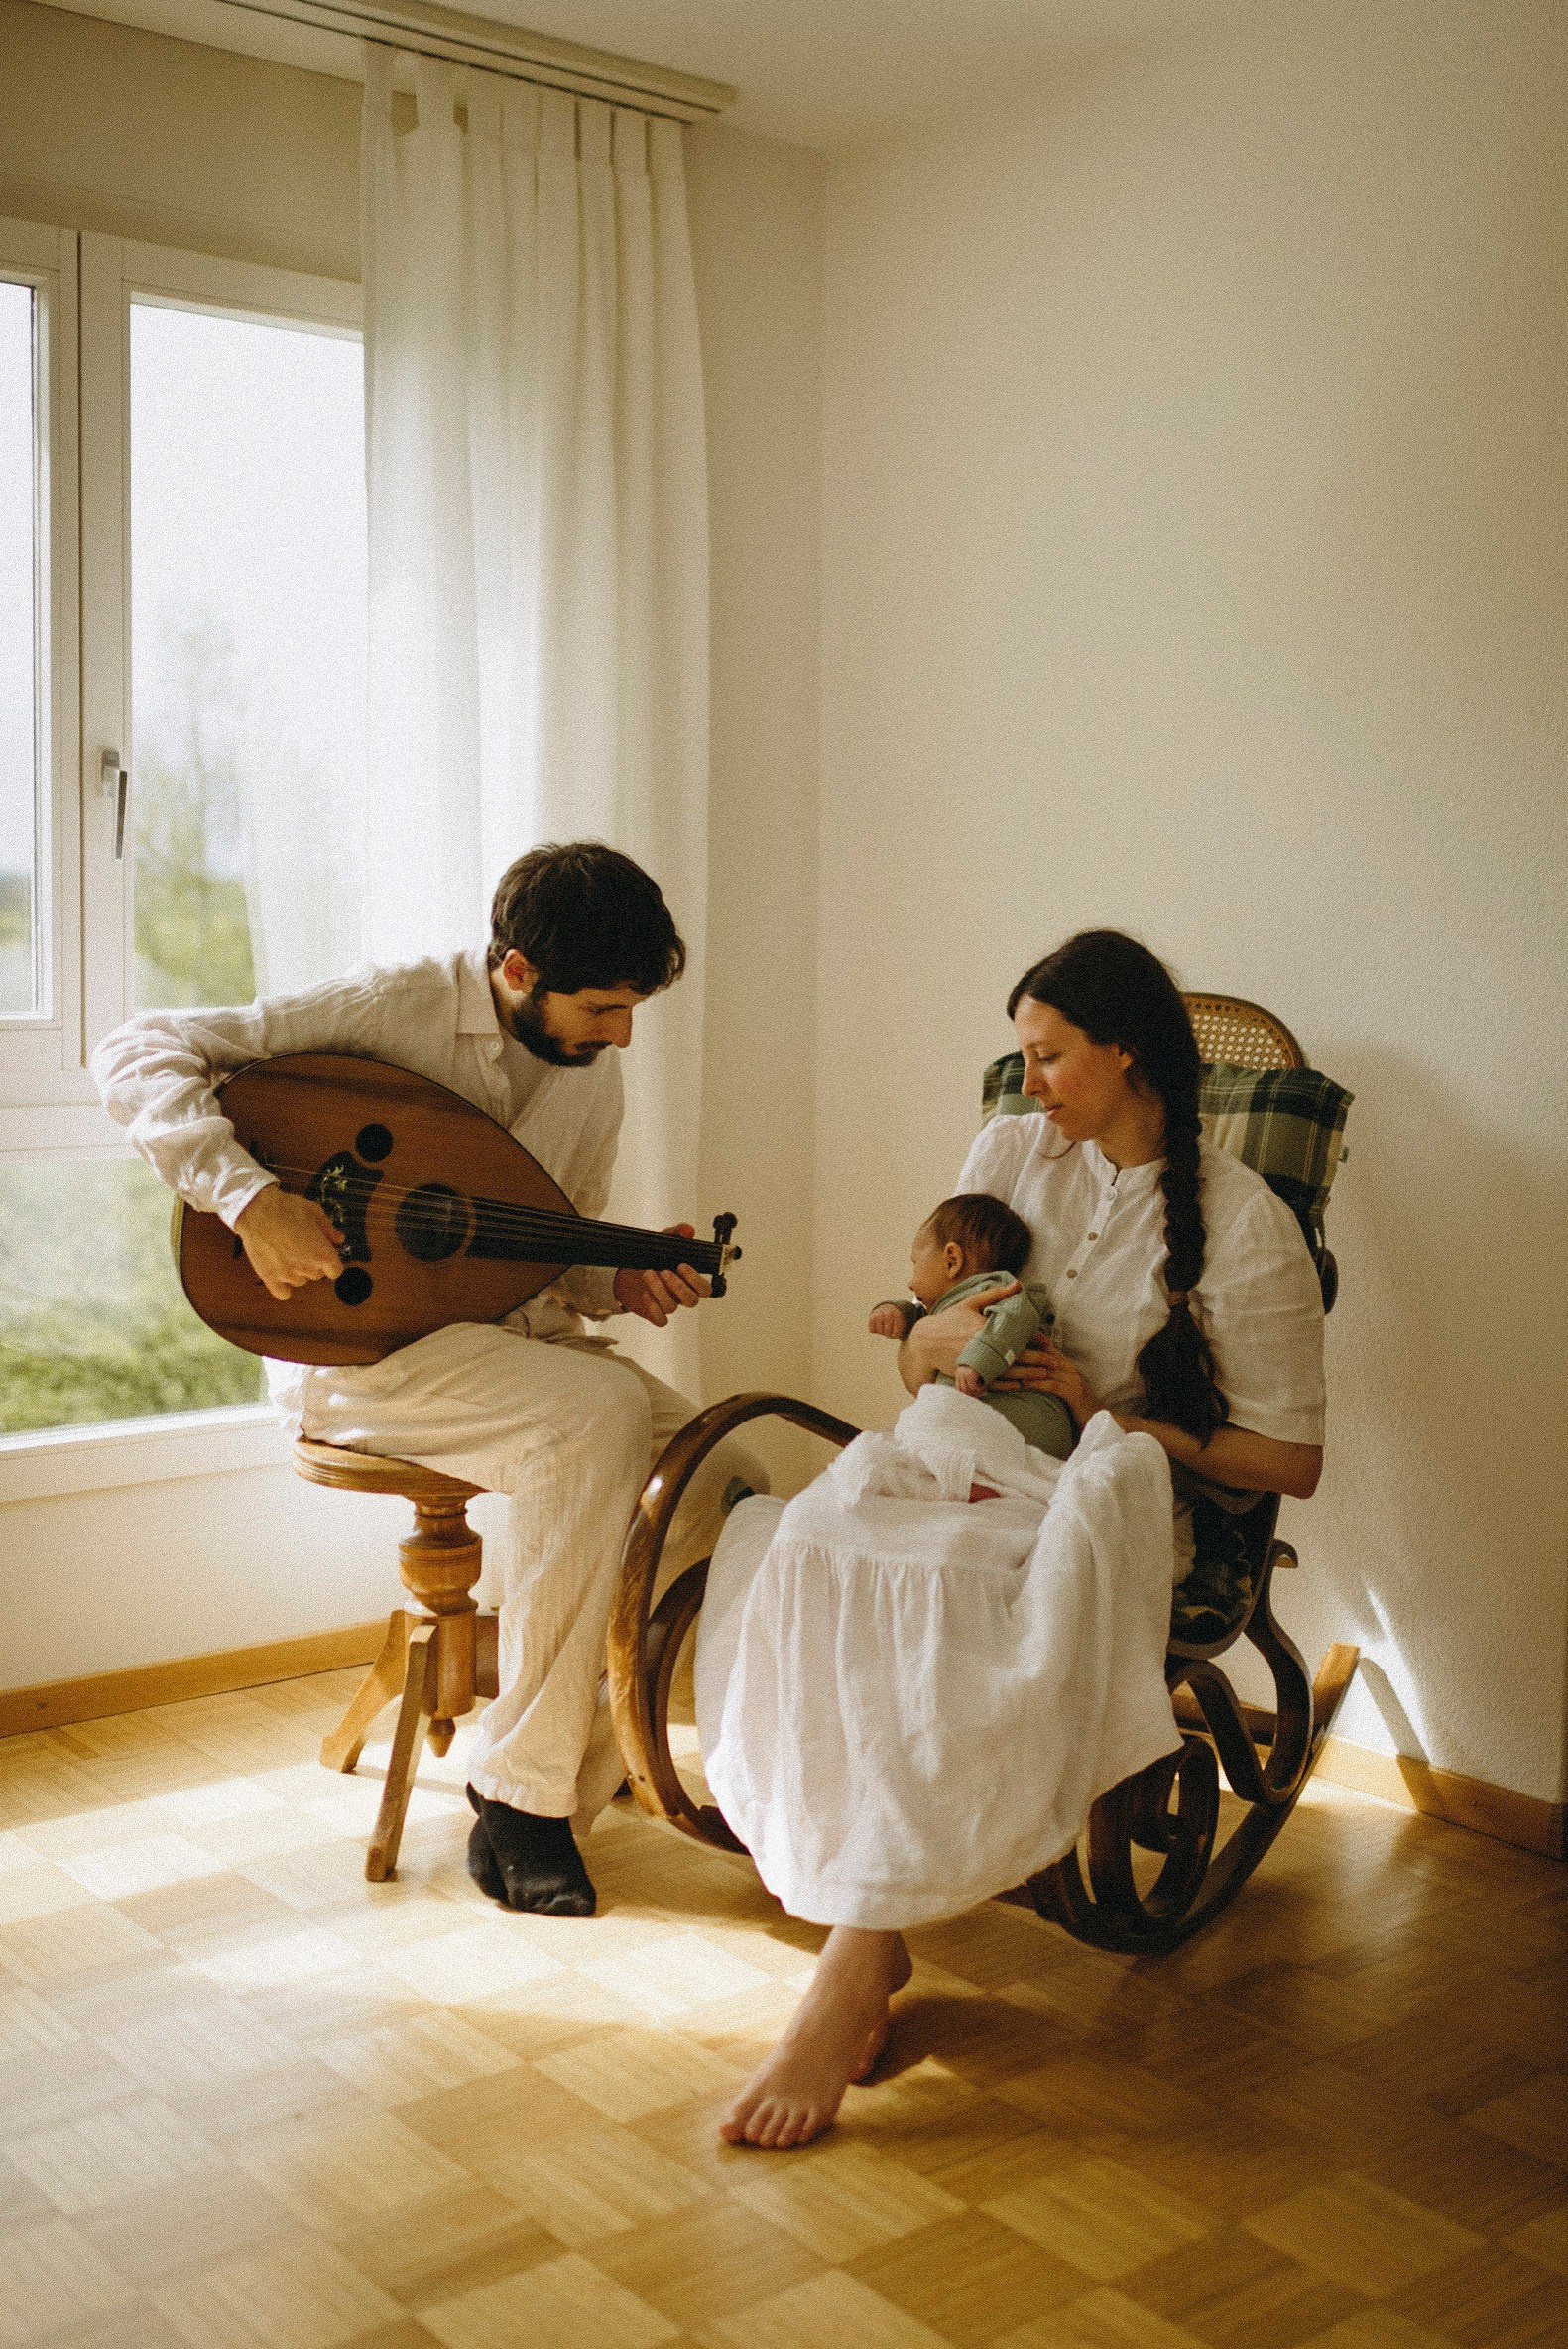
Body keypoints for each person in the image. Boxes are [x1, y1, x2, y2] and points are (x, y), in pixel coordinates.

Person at [702, 929, 1325, 2148]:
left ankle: (858, 1955)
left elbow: (1289, 1463)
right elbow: (924, 1346)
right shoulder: (1008, 1154)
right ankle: (866, 1903)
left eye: (1046, 1056)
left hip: (1105, 1489)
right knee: (814, 1542)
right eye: (1021, 1057)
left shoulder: (1246, 1227)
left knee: (944, 1586)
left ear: (1124, 1051)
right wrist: (923, 1348)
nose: (1025, 1083)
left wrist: (1108, 1416)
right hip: (963, 1454)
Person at [92, 840, 763, 1921]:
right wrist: (250, 1199)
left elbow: (544, 1251)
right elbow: (137, 1048)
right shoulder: (391, 1007)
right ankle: (524, 1800)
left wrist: (621, 1280)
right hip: (360, 1355)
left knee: (724, 1475)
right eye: (603, 1007)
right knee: (593, 1413)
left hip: (506, 1351)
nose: (622, 1034)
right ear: (515, 972)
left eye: (632, 1008)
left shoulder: (594, 1074)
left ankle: (585, 1761)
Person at [867, 1193, 1075, 1462]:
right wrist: (894, 1311)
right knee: (916, 1426)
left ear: (952, 1260)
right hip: (988, 1422)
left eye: (915, 1262)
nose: (910, 1282)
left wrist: (978, 1361)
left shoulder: (999, 1290)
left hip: (1030, 1418)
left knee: (916, 1426)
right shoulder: (943, 1306)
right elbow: (920, 1317)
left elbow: (1013, 1320)